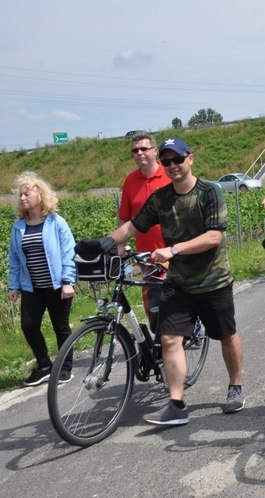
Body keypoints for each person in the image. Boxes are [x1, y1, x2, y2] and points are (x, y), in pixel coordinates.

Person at [108, 137, 245, 426]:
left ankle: (235, 386)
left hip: (213, 280)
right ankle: (176, 404)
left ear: (190, 159)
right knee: (169, 338)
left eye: (177, 159)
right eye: (167, 161)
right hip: (178, 282)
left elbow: (214, 236)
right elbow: (133, 225)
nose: (172, 166)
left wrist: (173, 249)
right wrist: (104, 244)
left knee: (226, 335)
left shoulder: (211, 192)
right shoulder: (161, 198)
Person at [8, 172, 76, 386]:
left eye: (27, 193)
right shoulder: (19, 227)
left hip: (57, 285)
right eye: (20, 195)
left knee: (60, 326)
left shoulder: (56, 222)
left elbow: (69, 253)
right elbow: (15, 259)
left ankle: (65, 368)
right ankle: (45, 366)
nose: (23, 198)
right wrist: (13, 285)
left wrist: (68, 281)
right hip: (32, 287)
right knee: (28, 326)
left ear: (41, 194)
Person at [118, 133, 172, 331]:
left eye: (144, 149)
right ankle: (160, 342)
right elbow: (125, 217)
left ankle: (193, 324)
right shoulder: (131, 181)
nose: (139, 153)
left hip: (175, 249)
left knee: (182, 295)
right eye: (135, 150)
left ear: (155, 151)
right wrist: (120, 245)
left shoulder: (170, 174)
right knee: (154, 303)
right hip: (147, 254)